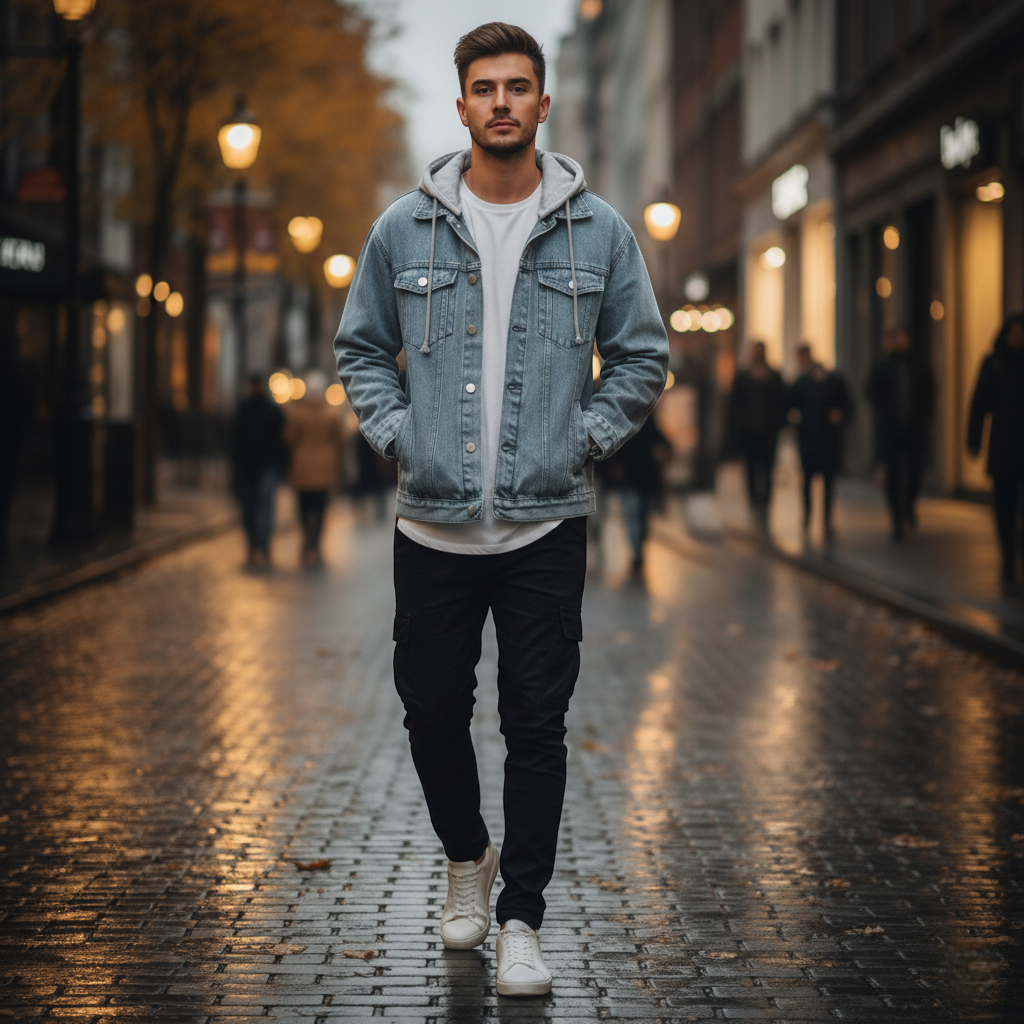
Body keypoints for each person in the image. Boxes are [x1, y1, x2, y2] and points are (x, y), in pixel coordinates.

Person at [334, 22, 668, 997]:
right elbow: (361, 349)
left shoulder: (598, 231)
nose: (502, 103)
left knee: (536, 723)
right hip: (431, 521)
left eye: (518, 86)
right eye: (485, 88)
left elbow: (641, 355)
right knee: (432, 711)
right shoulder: (404, 228)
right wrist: (402, 436)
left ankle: (520, 916)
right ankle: (465, 855)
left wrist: (582, 438)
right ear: (462, 106)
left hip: (543, 523)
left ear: (543, 103)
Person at [967, 313, 1024, 588]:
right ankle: (1008, 559)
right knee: (1004, 506)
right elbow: (979, 404)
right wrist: (974, 440)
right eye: (1013, 333)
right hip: (1003, 445)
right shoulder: (993, 363)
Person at [866, 325, 934, 540]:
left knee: (916, 473)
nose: (899, 341)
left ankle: (908, 505)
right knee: (893, 475)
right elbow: (870, 391)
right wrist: (884, 412)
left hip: (915, 429)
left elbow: (930, 393)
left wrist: (925, 417)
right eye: (895, 338)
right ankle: (896, 519)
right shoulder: (883, 366)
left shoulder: (919, 365)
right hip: (890, 431)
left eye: (902, 337)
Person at [789, 343, 852, 541]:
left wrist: (839, 415)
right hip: (810, 439)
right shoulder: (801, 383)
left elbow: (847, 406)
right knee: (810, 480)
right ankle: (809, 517)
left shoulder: (831, 382)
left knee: (826, 482)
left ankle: (824, 520)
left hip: (826, 440)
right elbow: (790, 407)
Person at [284, 370, 345, 565]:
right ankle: (315, 543)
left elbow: (289, 438)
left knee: (303, 507)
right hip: (325, 470)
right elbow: (342, 440)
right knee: (320, 510)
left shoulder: (298, 414)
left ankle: (306, 538)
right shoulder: (332, 414)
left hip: (302, 468)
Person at [727, 340, 789, 530]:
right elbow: (735, 405)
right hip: (749, 433)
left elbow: (782, 402)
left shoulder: (774, 376)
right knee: (751, 470)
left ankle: (765, 504)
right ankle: (755, 503)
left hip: (769, 433)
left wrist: (779, 425)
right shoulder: (744, 377)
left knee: (768, 470)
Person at [602, 411, 671, 571]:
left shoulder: (640, 423)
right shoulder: (634, 423)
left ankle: (638, 551)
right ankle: (637, 553)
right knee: (635, 518)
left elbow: (664, 443)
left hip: (641, 481)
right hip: (634, 481)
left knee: (639, 519)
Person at [231, 373, 285, 567]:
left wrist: (279, 465)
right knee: (249, 509)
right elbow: (235, 441)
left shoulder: (272, 410)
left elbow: (281, 440)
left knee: (265, 507)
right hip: (247, 468)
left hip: (267, 467)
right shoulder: (244, 409)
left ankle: (263, 543)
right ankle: (253, 543)